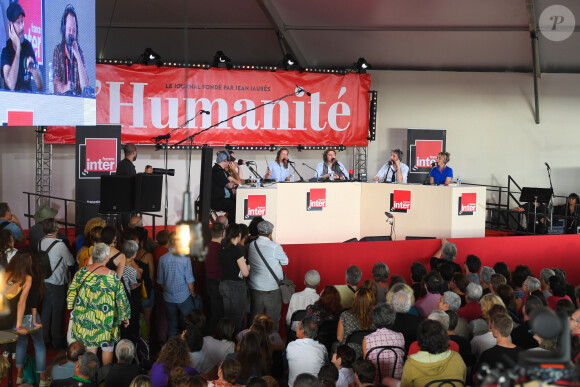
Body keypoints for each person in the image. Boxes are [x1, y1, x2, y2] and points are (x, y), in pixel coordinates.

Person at [67, 243, 130, 366]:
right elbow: (121, 299)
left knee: (90, 348)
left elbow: (71, 292)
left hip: (86, 318)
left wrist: (71, 306)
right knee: (107, 347)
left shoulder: (81, 272)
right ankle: (106, 377)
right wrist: (124, 316)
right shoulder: (112, 277)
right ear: (106, 258)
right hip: (107, 320)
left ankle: (91, 377)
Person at [0, 250, 48, 386]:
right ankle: (43, 379)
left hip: (10, 318)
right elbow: (26, 303)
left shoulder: (5, 275)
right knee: (39, 345)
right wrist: (33, 320)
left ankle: (19, 376)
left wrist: (17, 325)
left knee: (21, 344)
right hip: (24, 315)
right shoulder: (29, 277)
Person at [40, 218, 75, 350]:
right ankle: (57, 341)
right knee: (57, 312)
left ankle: (44, 338)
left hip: (44, 280)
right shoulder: (60, 245)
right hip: (57, 281)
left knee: (46, 310)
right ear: (56, 229)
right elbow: (70, 262)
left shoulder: (40, 242)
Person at [247, 220, 289, 330]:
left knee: (255, 319)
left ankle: (253, 342)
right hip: (272, 288)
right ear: (270, 232)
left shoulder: (252, 245)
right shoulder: (274, 246)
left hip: (255, 287)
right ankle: (271, 344)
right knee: (273, 319)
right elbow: (285, 261)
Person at [398, 320, 466, 386]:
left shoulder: (411, 364)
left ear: (420, 340)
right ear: (445, 337)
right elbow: (463, 380)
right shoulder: (457, 357)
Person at [157, 242, 197, 339]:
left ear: (169, 243)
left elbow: (160, 281)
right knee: (190, 323)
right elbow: (189, 280)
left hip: (168, 297)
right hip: (184, 296)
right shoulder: (185, 258)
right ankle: (189, 347)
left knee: (172, 325)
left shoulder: (162, 258)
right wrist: (193, 293)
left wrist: (168, 290)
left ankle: (172, 349)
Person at [1, 1, 43, 91]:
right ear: (11, 26)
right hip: (12, 102)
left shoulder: (28, 46)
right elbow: (11, 85)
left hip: (27, 99)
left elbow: (40, 87)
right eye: (18, 23)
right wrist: (18, 50)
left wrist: (35, 70)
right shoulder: (6, 51)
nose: (21, 27)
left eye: (22, 22)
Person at [219, 223, 251, 333]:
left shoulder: (223, 247)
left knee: (227, 317)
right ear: (239, 234)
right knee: (237, 318)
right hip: (236, 286)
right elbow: (245, 273)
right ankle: (234, 343)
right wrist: (248, 267)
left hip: (223, 285)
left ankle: (225, 339)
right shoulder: (236, 250)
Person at [363, 303, 405, 382]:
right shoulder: (400, 336)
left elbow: (366, 366)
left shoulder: (367, 339)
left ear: (374, 319)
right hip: (397, 382)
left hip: (376, 382)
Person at [53, 4, 88, 95]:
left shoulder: (80, 51)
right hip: (61, 102)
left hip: (78, 103)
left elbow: (85, 86)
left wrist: (78, 57)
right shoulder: (58, 50)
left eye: (74, 31)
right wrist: (65, 88)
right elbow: (55, 85)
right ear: (64, 30)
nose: (71, 34)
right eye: (69, 30)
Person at [286, 317, 328, 387]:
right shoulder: (322, 348)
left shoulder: (291, 346)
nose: (296, 328)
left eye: (298, 326)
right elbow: (326, 365)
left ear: (302, 331)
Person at [337, 287, 375, 359]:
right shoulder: (377, 316)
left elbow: (339, 338)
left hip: (349, 356)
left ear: (354, 300)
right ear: (371, 301)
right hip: (370, 353)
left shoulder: (345, 315)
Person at [212, 150, 242, 225]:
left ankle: (232, 226)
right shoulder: (217, 171)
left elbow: (235, 181)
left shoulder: (222, 170)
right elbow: (230, 185)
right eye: (229, 160)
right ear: (226, 160)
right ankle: (229, 227)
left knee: (241, 202)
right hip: (217, 200)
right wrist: (235, 182)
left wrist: (236, 180)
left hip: (223, 198)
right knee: (235, 206)